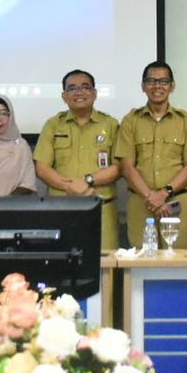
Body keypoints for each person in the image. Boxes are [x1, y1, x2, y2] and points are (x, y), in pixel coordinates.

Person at [115, 61, 187, 251]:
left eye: (163, 81)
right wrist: (151, 197)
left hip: (177, 202)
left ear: (172, 86)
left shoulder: (186, 121)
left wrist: (164, 194)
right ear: (143, 86)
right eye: (151, 81)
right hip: (140, 202)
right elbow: (127, 166)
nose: (157, 86)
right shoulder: (131, 121)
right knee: (140, 259)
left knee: (177, 260)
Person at [33, 69, 121, 250]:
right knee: (62, 266)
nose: (79, 92)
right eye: (72, 88)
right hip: (61, 209)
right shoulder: (53, 124)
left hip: (101, 209)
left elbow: (119, 167)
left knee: (105, 268)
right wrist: (69, 186)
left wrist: (87, 180)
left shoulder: (110, 124)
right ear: (64, 96)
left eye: (85, 87)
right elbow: (41, 167)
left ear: (95, 93)